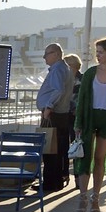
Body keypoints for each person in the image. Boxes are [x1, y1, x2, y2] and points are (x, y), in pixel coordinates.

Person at [72, 37, 106, 212]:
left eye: (101, 52)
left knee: (100, 158)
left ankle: (95, 198)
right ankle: (82, 198)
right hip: (90, 116)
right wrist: (78, 122)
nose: (98, 55)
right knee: (85, 157)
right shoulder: (90, 73)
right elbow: (81, 100)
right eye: (97, 52)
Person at [34, 42, 73, 194]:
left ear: (56, 54)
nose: (44, 58)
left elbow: (58, 89)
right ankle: (55, 181)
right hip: (59, 114)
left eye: (47, 54)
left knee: (49, 150)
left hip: (53, 114)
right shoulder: (64, 69)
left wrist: (48, 106)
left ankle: (50, 183)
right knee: (56, 150)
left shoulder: (57, 69)